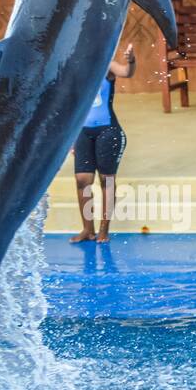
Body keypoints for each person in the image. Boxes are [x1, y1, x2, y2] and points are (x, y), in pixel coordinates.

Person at [71, 43, 134, 244]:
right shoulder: (74, 70)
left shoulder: (107, 65)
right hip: (82, 131)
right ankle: (87, 229)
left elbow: (126, 72)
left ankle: (104, 229)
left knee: (106, 179)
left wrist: (131, 59)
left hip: (108, 130)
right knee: (82, 179)